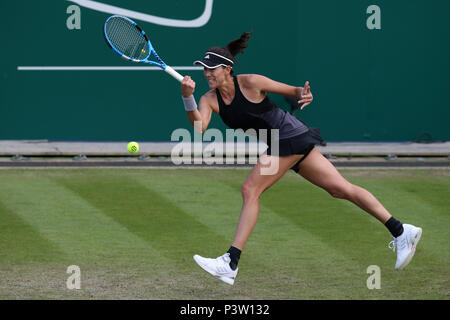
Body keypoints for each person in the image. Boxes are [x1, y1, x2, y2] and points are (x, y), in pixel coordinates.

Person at [180, 31, 422, 285]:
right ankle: (401, 230)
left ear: (227, 69)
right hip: (286, 139)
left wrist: (303, 94)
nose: (207, 74)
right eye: (204, 69)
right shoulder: (208, 99)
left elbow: (293, 90)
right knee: (341, 189)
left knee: (250, 189)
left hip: (287, 135)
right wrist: (187, 97)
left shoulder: (251, 81)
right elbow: (199, 127)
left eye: (212, 69)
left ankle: (230, 262)